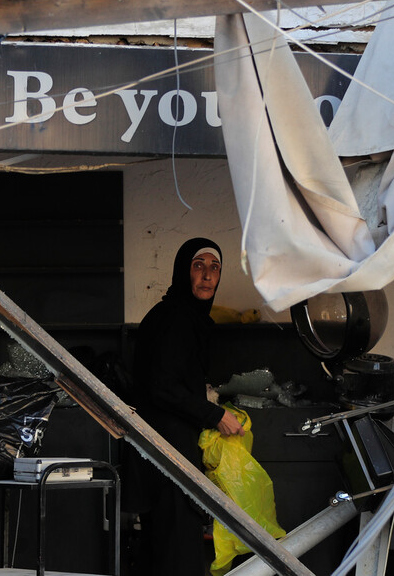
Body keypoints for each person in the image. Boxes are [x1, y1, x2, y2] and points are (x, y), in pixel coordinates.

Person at [130, 237, 244, 576]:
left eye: (215, 268)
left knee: (166, 549)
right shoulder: (175, 319)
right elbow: (163, 387)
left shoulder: (183, 316)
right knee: (178, 553)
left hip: (165, 451)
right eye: (198, 266)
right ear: (183, 272)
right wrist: (215, 414)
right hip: (168, 454)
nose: (207, 275)